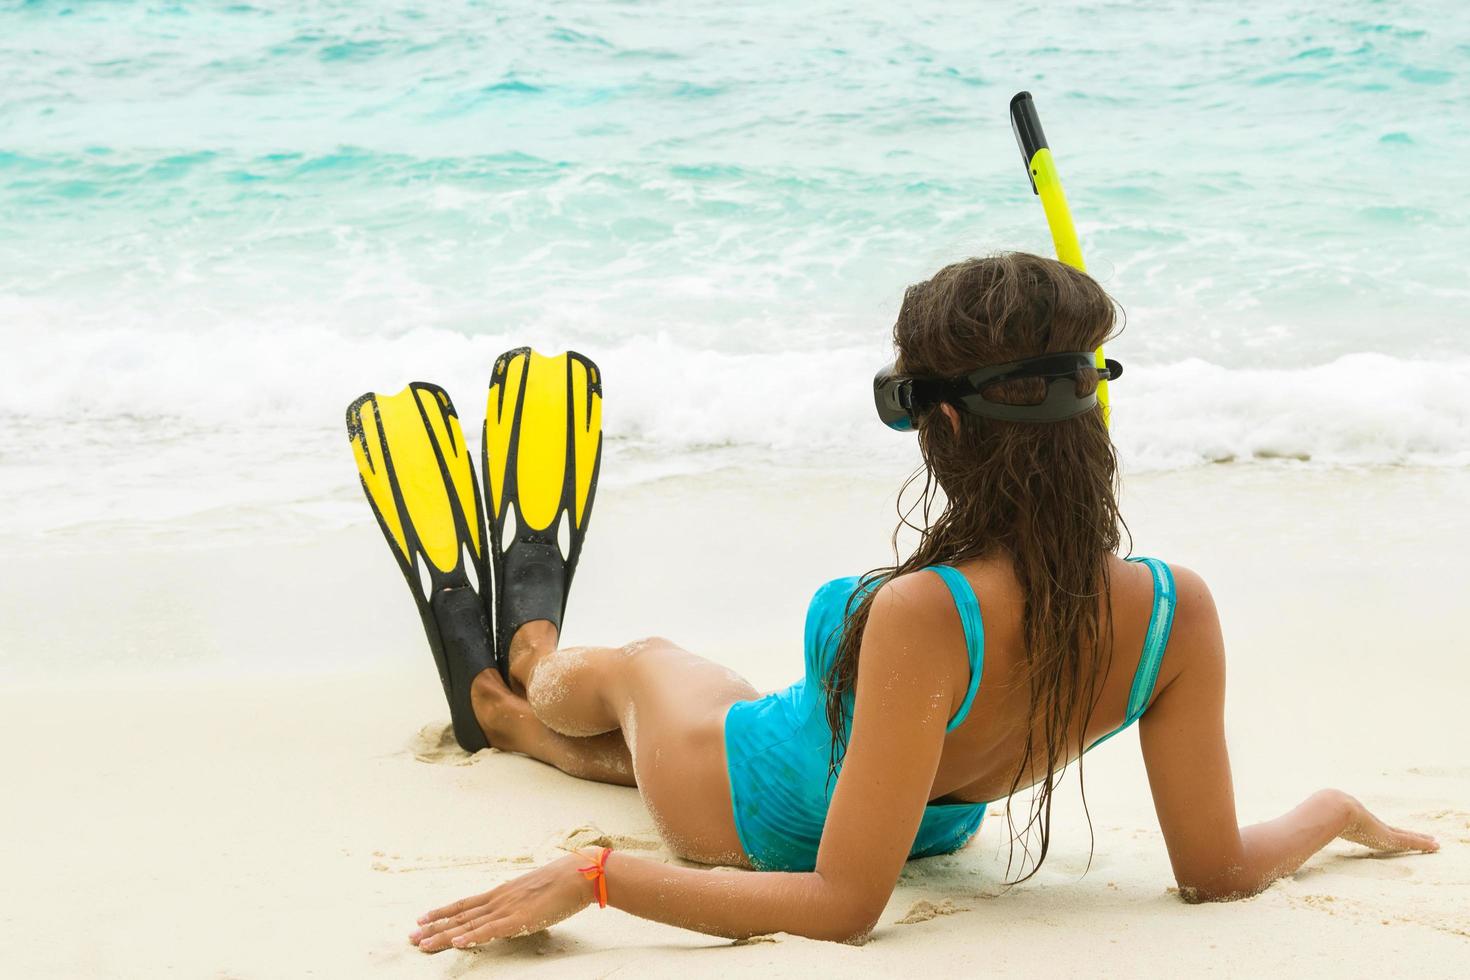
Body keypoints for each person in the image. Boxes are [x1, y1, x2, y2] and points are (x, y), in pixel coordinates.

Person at [361, 253, 1438, 953]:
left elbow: (841, 905)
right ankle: (507, 718)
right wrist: (1332, 809)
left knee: (641, 666)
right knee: (667, 723)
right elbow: (1217, 870)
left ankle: (531, 653)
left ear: (948, 429)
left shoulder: (930, 612)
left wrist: (596, 877)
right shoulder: (1173, 610)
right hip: (912, 805)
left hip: (752, 805)